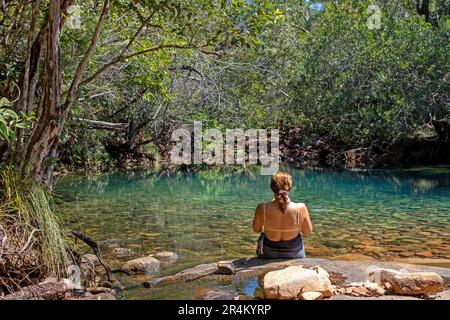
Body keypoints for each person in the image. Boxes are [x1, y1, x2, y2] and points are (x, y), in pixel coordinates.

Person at [252, 171, 313, 259]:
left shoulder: (263, 207)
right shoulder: (300, 208)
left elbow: (256, 229)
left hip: (269, 253)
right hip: (295, 253)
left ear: (272, 187)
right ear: (289, 187)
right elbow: (307, 232)